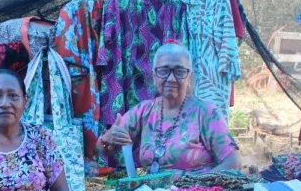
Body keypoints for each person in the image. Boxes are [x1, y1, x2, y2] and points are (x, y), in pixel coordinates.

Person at [98, 42, 241, 174]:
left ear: (189, 78)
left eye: (179, 71)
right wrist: (107, 139)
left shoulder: (206, 113)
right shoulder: (144, 111)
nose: (171, 79)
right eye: (163, 70)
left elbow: (233, 162)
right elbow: (100, 148)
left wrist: (196, 185)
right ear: (154, 76)